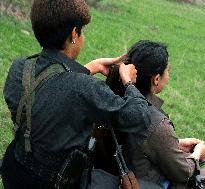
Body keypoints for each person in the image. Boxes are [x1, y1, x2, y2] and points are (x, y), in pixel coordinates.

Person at [1, 1, 151, 189]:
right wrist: (128, 81)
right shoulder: (85, 89)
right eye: (82, 32)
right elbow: (139, 117)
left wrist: (89, 68)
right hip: (54, 182)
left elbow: (49, 92)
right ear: (74, 34)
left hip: (14, 169)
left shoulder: (20, 67)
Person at [106, 40, 205, 189]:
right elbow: (182, 173)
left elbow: (143, 143)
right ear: (156, 79)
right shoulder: (156, 122)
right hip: (146, 183)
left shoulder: (114, 98)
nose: (169, 75)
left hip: (120, 174)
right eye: (168, 70)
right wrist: (197, 155)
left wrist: (175, 144)